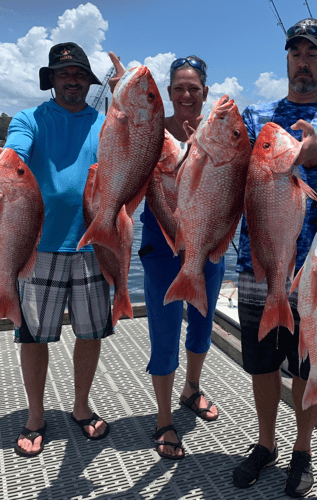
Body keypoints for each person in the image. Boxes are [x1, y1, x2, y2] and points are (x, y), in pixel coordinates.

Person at [232, 18, 317, 498]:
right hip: (258, 262)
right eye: (295, 52)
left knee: (308, 364)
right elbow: (229, 175)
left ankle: (302, 450)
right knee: (262, 363)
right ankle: (265, 444)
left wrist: (316, 157)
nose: (303, 61)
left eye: (313, 53)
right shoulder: (255, 114)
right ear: (286, 58)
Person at [110, 54, 224, 460]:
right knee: (164, 332)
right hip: (161, 249)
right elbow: (123, 140)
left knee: (202, 327)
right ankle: (163, 418)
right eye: (179, 88)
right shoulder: (152, 132)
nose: (187, 94)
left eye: (194, 87)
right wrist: (121, 93)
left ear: (205, 92)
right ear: (169, 93)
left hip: (207, 247)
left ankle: (191, 388)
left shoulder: (217, 133)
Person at [4, 42, 114, 458]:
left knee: (90, 333)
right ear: (50, 80)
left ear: (89, 81)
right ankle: (35, 416)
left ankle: (81, 406)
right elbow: (17, 152)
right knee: (33, 336)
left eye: (80, 74)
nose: (72, 80)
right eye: (63, 73)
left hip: (91, 245)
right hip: (38, 245)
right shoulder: (28, 118)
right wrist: (10, 159)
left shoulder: (104, 123)